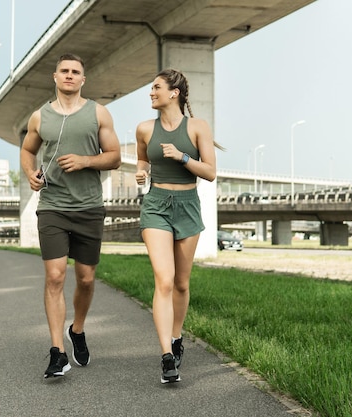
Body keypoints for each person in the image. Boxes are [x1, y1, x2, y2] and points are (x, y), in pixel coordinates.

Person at [20, 53, 121, 379]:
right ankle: (57, 352)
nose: (69, 75)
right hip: (52, 207)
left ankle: (76, 329)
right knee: (55, 277)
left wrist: (85, 161)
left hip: (89, 207)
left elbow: (115, 157)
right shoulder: (40, 117)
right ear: (55, 76)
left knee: (87, 278)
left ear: (82, 79)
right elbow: (27, 150)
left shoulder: (98, 113)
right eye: (64, 70)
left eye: (75, 71)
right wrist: (29, 175)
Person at [134, 68, 219, 384]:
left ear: (175, 92)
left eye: (156, 87)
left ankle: (177, 335)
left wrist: (183, 156)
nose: (151, 92)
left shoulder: (197, 127)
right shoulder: (144, 129)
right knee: (164, 280)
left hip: (187, 206)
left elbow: (210, 172)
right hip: (156, 206)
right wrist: (141, 173)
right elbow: (143, 160)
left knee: (182, 282)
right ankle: (167, 354)